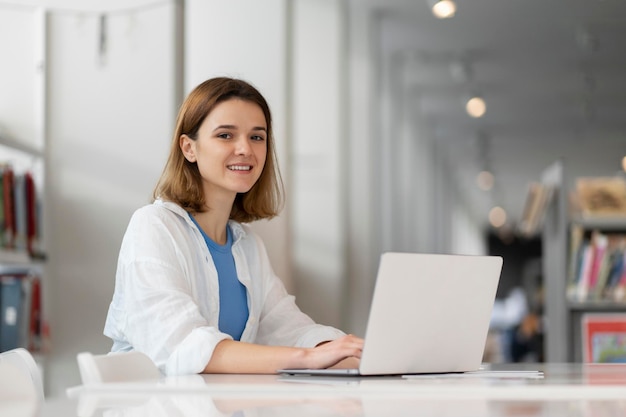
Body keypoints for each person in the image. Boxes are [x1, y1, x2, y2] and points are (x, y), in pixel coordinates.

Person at [103, 77, 363, 376]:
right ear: (189, 148)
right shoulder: (153, 227)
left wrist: (349, 351)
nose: (245, 149)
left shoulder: (247, 244)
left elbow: (289, 329)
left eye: (257, 137)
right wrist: (306, 358)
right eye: (226, 135)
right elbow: (183, 346)